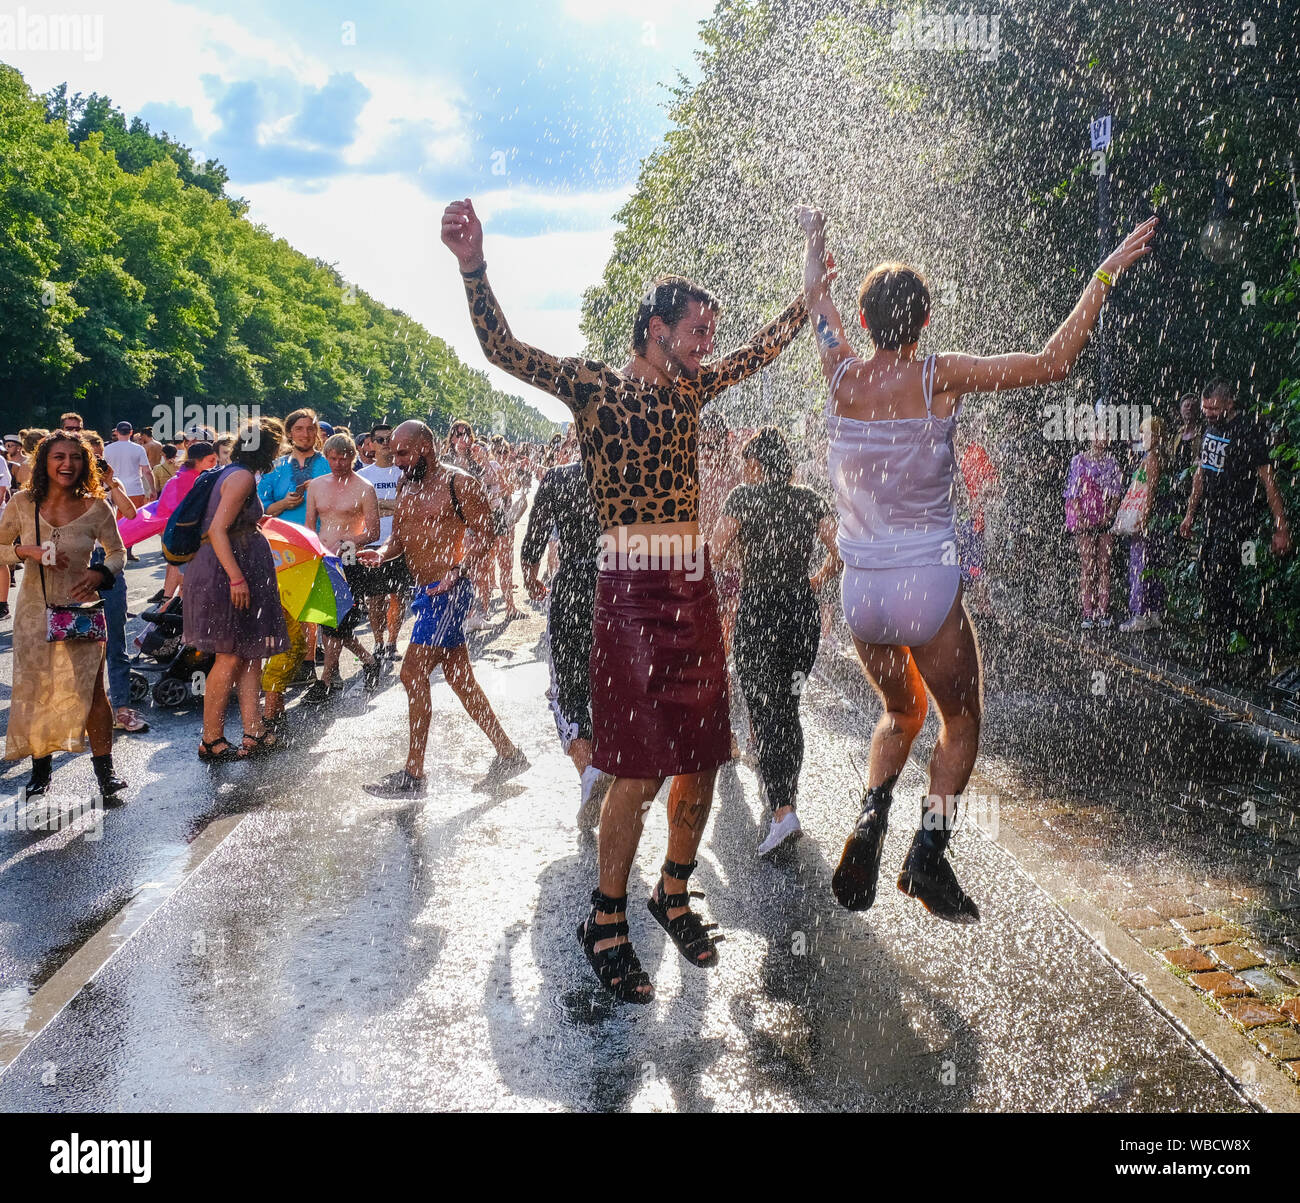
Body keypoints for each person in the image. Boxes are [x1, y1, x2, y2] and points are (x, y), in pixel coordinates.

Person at [444, 196, 809, 1002]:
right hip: (630, 598)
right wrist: (473, 263)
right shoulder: (594, 389)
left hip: (693, 592)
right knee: (635, 775)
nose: (709, 347)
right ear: (656, 329)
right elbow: (501, 347)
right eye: (697, 333)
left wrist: (811, 284)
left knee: (706, 759)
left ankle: (671, 890)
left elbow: (766, 349)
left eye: (711, 335)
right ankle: (605, 918)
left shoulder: (691, 393)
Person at [797, 203, 1156, 923]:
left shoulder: (839, 374)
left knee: (901, 710)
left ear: (865, 322)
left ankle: (870, 818)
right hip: (926, 587)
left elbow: (814, 300)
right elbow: (1055, 361)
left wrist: (814, 240)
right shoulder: (941, 375)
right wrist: (1106, 271)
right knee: (960, 722)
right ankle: (928, 852)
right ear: (924, 320)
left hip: (862, 590)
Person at [360, 421, 529, 797]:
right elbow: (399, 538)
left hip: (451, 593)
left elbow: (488, 532)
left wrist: (459, 570)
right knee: (460, 679)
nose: (397, 460)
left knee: (411, 672)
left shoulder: (459, 483)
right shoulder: (405, 486)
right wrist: (381, 554)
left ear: (427, 447)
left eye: (404, 452)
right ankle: (508, 752)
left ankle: (414, 774)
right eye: (394, 452)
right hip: (425, 591)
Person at [710, 426, 841, 856]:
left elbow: (714, 552)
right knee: (788, 706)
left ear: (758, 464)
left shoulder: (743, 499)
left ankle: (783, 812)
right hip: (801, 612)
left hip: (760, 611)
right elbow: (840, 552)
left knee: (765, 711)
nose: (744, 473)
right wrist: (815, 580)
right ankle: (787, 803)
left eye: (747, 465)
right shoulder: (809, 500)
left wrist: (737, 557)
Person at [0, 431, 128, 801]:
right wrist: (27, 551)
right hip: (34, 612)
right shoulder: (23, 503)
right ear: (44, 462)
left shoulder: (96, 506)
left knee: (91, 692)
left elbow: (117, 551)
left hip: (80, 611)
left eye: (74, 457)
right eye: (58, 457)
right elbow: (1, 548)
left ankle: (107, 777)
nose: (67, 464)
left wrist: (101, 574)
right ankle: (40, 773)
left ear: (85, 463)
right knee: (39, 688)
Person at [183, 417, 289, 761]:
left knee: (248, 654)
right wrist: (236, 578)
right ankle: (211, 739)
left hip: (237, 569)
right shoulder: (241, 477)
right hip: (227, 573)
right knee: (228, 656)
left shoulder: (235, 473)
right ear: (269, 449)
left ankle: (253, 731)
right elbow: (217, 530)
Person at [1179, 378, 1292, 676]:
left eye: (1214, 408)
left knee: (1218, 584)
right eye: (1205, 409)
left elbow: (1269, 482)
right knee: (1210, 583)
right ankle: (1260, 640)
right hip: (1213, 519)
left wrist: (1281, 528)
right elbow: (1201, 474)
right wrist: (1190, 514)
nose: (1208, 413)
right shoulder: (1210, 429)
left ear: (1230, 403)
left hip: (1239, 519)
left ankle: (1215, 659)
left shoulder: (1248, 432)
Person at [520, 457, 608, 827]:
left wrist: (529, 573)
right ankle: (618, 777)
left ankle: (588, 770)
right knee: (611, 683)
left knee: (567, 687)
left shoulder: (559, 477)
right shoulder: (626, 471)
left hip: (573, 581)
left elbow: (535, 535)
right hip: (620, 583)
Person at [303, 431, 383, 702]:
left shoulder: (364, 487)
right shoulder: (316, 485)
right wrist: (309, 551)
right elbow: (309, 525)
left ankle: (325, 681)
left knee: (337, 622)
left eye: (344, 458)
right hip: (322, 557)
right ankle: (369, 661)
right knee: (329, 621)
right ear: (326, 457)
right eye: (333, 458)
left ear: (353, 457)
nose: (338, 463)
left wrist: (351, 539)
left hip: (349, 560)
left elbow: (373, 532)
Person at [1064, 431, 1125, 629]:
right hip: (1084, 521)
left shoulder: (1113, 463)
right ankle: (1087, 612)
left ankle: (1103, 610)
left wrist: (1109, 515)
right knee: (1088, 566)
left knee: (1104, 565)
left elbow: (1116, 493)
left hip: (1105, 519)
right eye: (1099, 434)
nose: (1103, 439)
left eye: (1107, 435)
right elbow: (1073, 493)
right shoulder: (1078, 461)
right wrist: (1082, 517)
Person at [357, 423, 408, 660]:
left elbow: (410, 508)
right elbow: (358, 510)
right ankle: (378, 642)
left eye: (390, 438)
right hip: (373, 543)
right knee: (375, 598)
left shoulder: (405, 473)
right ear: (371, 444)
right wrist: (390, 505)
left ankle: (392, 642)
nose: (386, 443)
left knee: (398, 596)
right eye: (380, 439)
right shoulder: (363, 476)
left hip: (400, 542)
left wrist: (380, 505)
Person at [698, 408, 742, 655]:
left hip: (734, 567)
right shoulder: (692, 472)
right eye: (701, 445)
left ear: (726, 441)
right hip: (701, 565)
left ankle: (723, 668)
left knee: (728, 628)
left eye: (712, 445)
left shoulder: (740, 472)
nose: (707, 452)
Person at [1118, 416, 1166, 633]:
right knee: (1152, 564)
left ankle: (1140, 614)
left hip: (1146, 520)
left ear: (1156, 436)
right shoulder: (1153, 456)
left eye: (1145, 433)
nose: (1141, 437)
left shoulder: (1152, 459)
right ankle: (1154, 612)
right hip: (1153, 521)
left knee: (1140, 566)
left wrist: (1143, 518)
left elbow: (1150, 492)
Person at [257, 408, 329, 526]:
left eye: (310, 429)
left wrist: (321, 490)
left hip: (320, 539)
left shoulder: (330, 465)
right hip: (282, 538)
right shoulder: (274, 467)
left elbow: (344, 505)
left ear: (316, 432)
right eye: (299, 429)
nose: (305, 434)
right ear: (289, 433)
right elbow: (260, 510)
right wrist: (284, 504)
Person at [104, 421, 154, 560]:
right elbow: (147, 471)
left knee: (115, 521)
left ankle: (114, 551)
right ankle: (128, 550)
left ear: (117, 432)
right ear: (131, 432)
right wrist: (152, 489)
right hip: (134, 489)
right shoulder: (138, 449)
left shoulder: (108, 449)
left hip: (113, 489)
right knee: (131, 521)